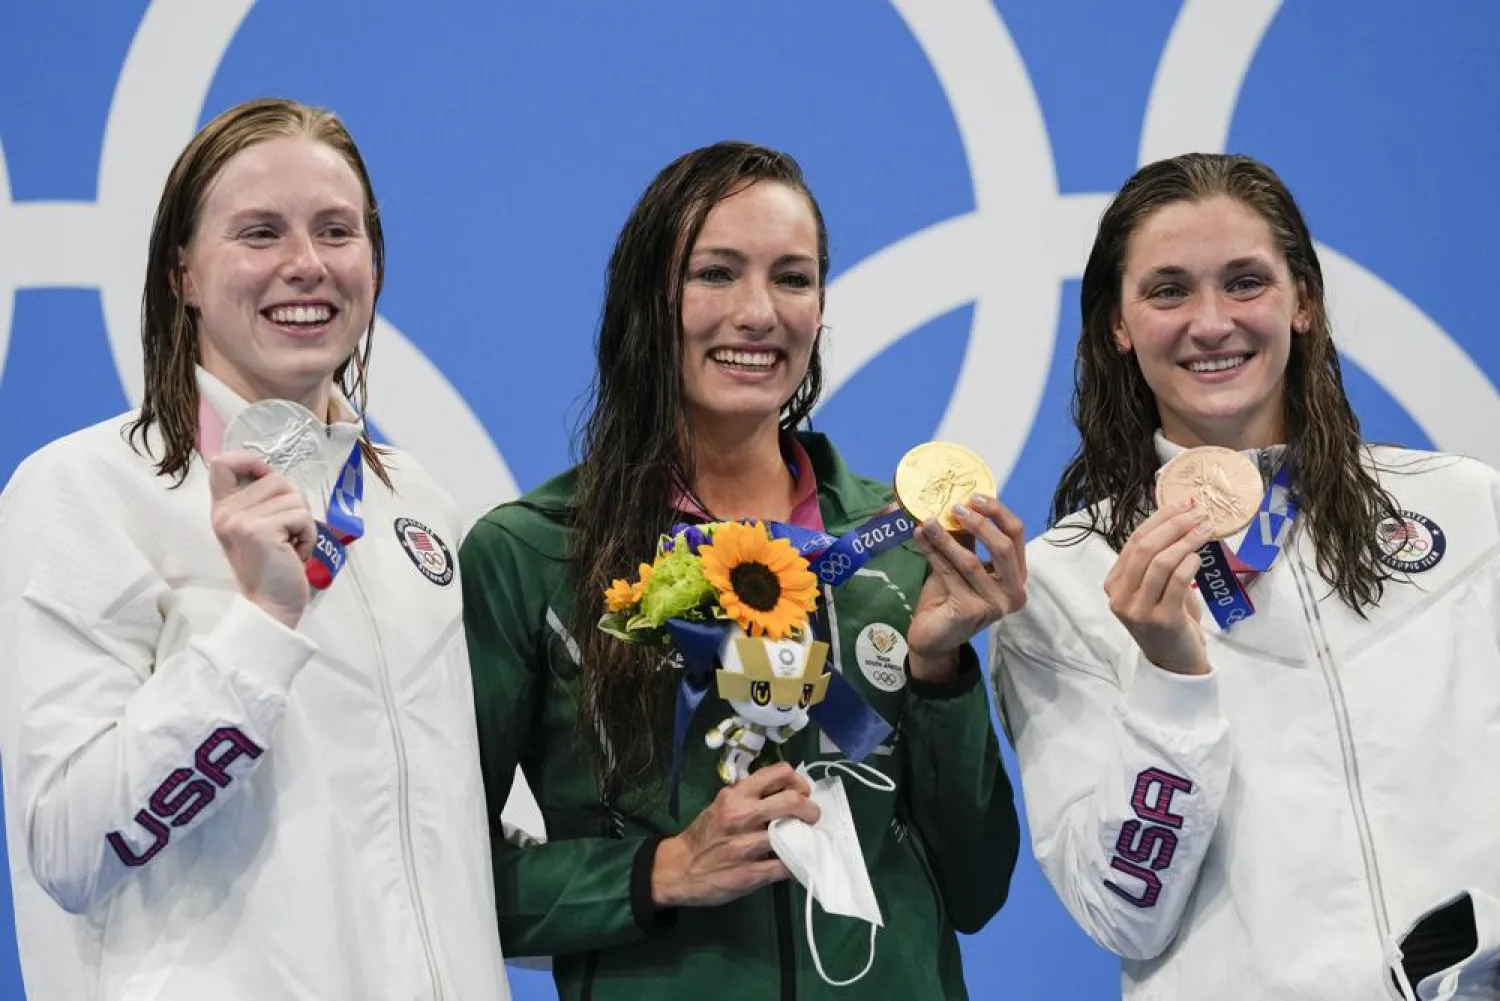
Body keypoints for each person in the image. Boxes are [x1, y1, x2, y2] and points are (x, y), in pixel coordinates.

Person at [461, 140, 1022, 999]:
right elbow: (445, 876)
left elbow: (978, 886)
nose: (759, 312)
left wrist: (941, 674)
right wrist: (656, 872)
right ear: (647, 301)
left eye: (793, 279)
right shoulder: (532, 552)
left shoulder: (901, 545)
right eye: (716, 273)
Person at [0, 98, 510, 1000]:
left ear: (375, 264)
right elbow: (72, 847)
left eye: (335, 230)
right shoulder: (83, 491)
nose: (305, 264)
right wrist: (259, 627)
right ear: (183, 273)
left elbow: (451, 839)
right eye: (260, 232)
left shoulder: (414, 503)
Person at [992, 152, 1500, 999]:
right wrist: (1169, 682)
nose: (1211, 321)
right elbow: (1121, 911)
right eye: (1168, 291)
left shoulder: (1472, 512)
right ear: (1116, 325)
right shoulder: (1062, 586)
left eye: (1244, 282)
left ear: (1303, 301)